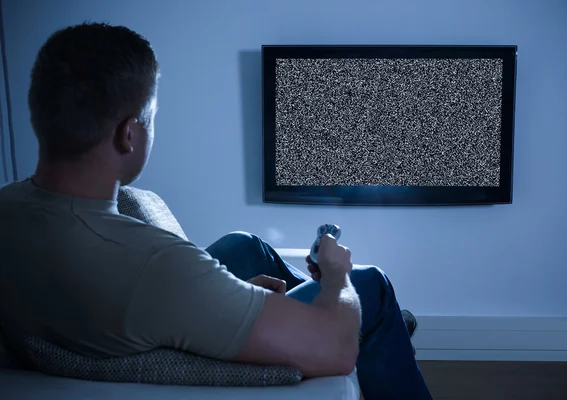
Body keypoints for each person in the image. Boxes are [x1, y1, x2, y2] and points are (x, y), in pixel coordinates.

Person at [0, 23, 432, 399]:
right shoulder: (158, 263)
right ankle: (379, 328)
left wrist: (231, 292)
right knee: (371, 286)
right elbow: (334, 352)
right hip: (161, 309)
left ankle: (369, 327)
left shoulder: (9, 209)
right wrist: (336, 276)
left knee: (244, 246)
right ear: (128, 135)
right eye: (151, 118)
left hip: (124, 310)